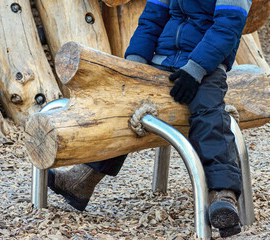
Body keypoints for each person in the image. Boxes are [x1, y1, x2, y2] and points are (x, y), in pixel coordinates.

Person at [48, 0, 252, 237]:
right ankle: (82, 180)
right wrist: (134, 65)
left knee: (209, 115)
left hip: (205, 66)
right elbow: (153, 18)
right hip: (163, 60)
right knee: (123, 105)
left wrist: (196, 68)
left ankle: (223, 195)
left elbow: (228, 25)